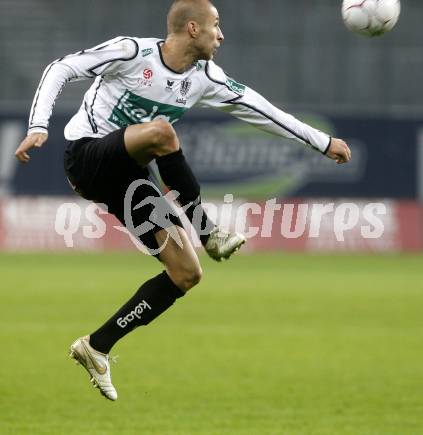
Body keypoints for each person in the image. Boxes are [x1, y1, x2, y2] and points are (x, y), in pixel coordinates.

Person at [15, 0, 351, 401]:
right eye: (216, 25)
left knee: (186, 273)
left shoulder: (206, 78)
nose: (221, 35)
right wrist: (39, 124)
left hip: (126, 178)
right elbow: (61, 68)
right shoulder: (131, 52)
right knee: (162, 134)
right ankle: (208, 232)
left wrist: (322, 142)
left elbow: (263, 111)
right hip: (86, 155)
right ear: (193, 29)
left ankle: (97, 346)